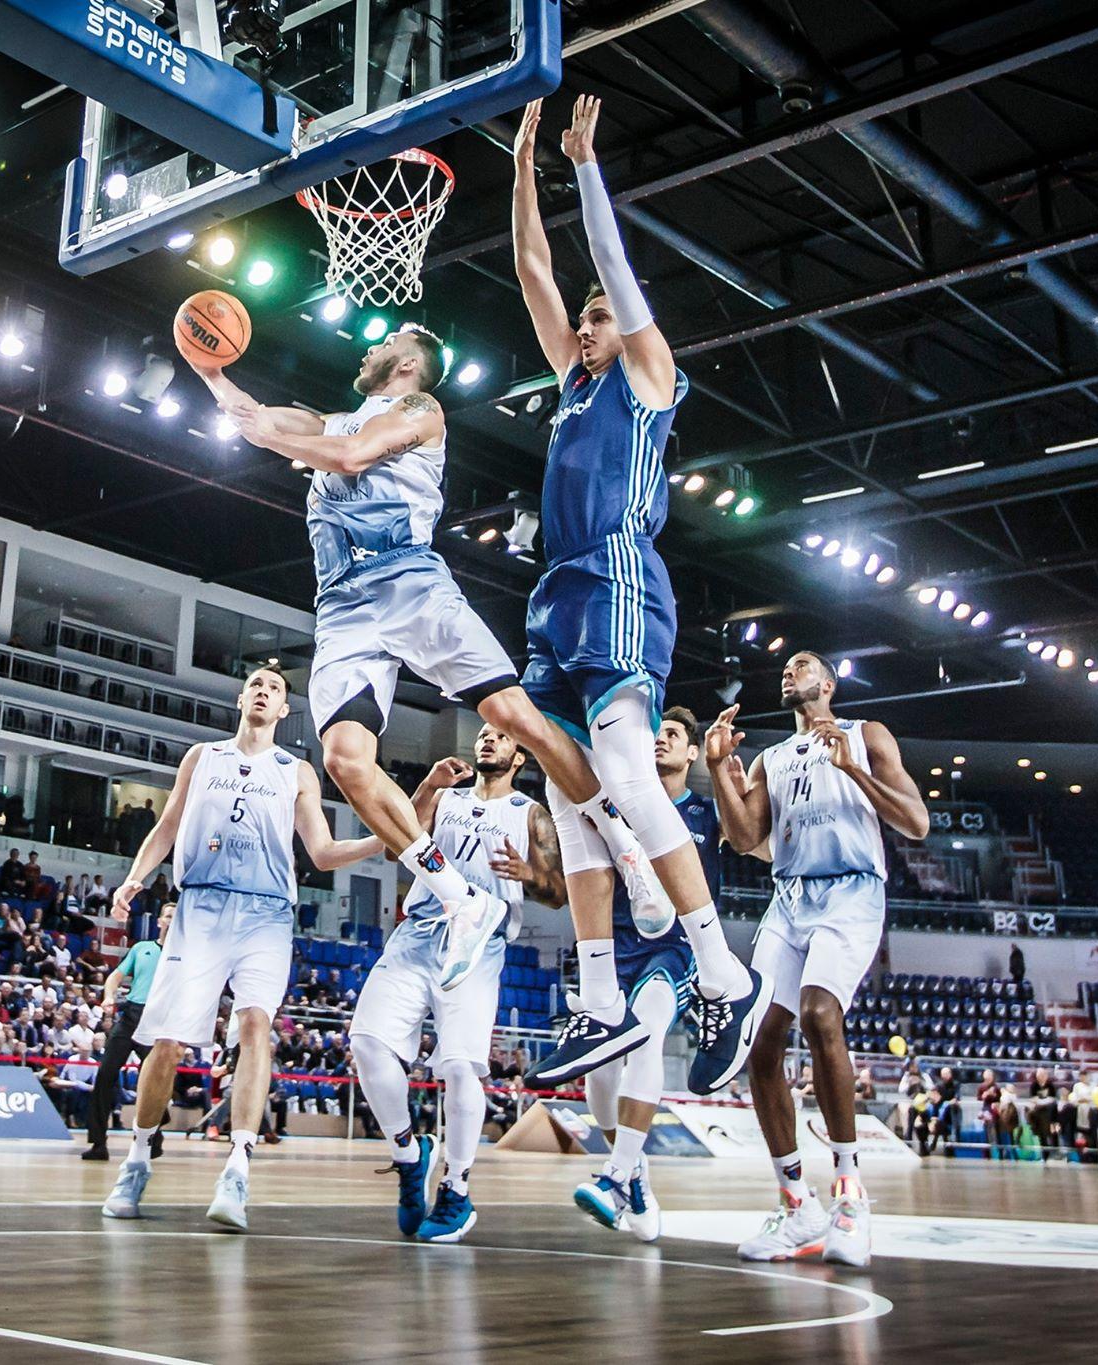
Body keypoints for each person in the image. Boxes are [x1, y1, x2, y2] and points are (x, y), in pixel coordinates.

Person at [204, 320, 706, 1049]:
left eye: (381, 344)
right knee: (345, 760)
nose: (363, 349)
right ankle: (453, 894)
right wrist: (211, 367)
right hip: (341, 602)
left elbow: (348, 456)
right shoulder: (329, 417)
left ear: (407, 363)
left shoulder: (418, 412)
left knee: (517, 715)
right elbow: (258, 421)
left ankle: (622, 839)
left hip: (408, 579)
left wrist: (275, 437)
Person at [507, 95, 767, 1094]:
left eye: (598, 317)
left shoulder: (646, 380)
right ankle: (601, 999)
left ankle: (718, 970)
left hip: (618, 575)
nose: (584, 322)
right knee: (564, 789)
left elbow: (610, 272)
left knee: (619, 767)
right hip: (556, 591)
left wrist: (581, 166)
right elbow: (534, 271)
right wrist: (521, 166)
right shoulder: (573, 385)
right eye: (580, 320)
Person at [99, 667, 382, 1232]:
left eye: (275, 689)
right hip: (199, 907)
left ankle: (237, 1170)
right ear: (240, 698)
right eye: (255, 683)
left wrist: (387, 838)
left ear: (283, 711)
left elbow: (322, 854)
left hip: (267, 914)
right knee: (168, 1040)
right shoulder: (202, 757)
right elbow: (168, 825)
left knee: (256, 1025)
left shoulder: (297, 771)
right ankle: (136, 1160)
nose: (263, 690)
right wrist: (134, 878)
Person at [706, 648, 928, 1268]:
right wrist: (720, 769)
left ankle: (850, 1194)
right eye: (786, 667)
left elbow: (916, 823)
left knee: (820, 1015)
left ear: (827, 683)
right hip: (790, 897)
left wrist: (852, 768)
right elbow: (746, 838)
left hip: (852, 891)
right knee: (760, 1039)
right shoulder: (772, 759)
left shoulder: (866, 734)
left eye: (801, 665)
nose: (788, 671)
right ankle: (795, 1202)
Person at [352, 724, 564, 1244]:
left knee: (460, 1065)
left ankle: (457, 1188)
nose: (488, 739)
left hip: (481, 939)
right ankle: (408, 1154)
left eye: (500, 736)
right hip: (418, 931)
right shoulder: (444, 798)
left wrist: (527, 875)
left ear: (519, 754)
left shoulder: (530, 814)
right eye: (484, 734)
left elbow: (558, 892)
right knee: (367, 1043)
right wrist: (425, 787)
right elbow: (390, 850)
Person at [572, 706, 721, 1243]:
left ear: (691, 752)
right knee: (599, 1074)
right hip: (613, 946)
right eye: (655, 733)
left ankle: (614, 1178)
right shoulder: (614, 801)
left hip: (674, 950)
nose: (661, 740)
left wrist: (729, 767)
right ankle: (633, 1168)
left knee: (648, 1036)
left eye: (674, 734)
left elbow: (757, 835)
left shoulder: (708, 812)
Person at [82, 903, 173, 1162]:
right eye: (167, 916)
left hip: (159, 1021)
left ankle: (154, 1138)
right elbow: (115, 976)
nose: (171, 921)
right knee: (105, 1075)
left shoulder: (184, 955)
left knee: (158, 1083)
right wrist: (109, 996)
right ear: (159, 921)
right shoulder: (141, 948)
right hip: (130, 1015)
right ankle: (98, 1143)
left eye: (176, 919)